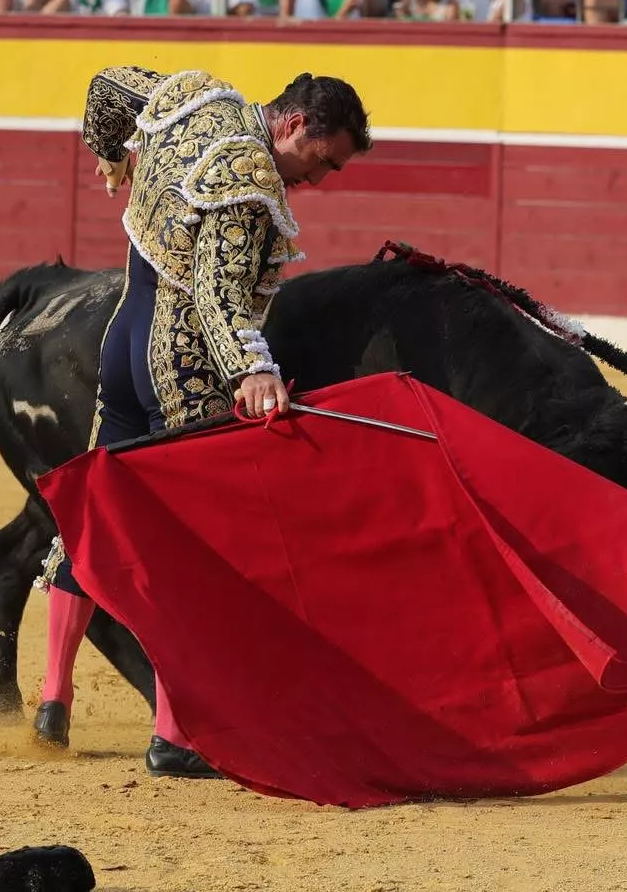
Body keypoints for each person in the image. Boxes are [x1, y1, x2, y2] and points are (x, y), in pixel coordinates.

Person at [31, 66, 372, 777]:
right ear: (295, 125)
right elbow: (218, 298)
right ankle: (175, 736)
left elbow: (107, 85)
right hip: (181, 372)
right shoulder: (248, 179)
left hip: (123, 341)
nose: (321, 178)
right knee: (191, 554)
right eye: (323, 160)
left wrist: (111, 151)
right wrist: (251, 367)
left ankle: (53, 698)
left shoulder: (195, 96)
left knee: (95, 516)